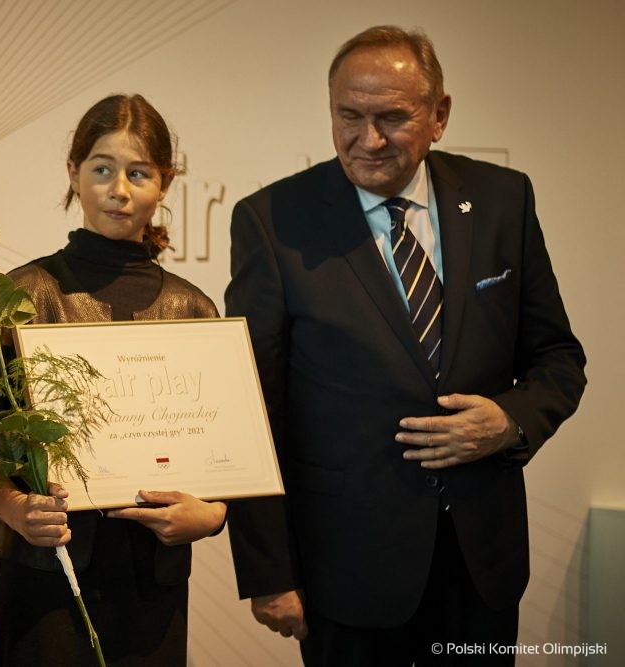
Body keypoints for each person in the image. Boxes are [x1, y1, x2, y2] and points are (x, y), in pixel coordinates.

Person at [226, 25, 586, 665]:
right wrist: (267, 570)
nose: (369, 140)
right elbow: (251, 406)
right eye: (349, 117)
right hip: (346, 570)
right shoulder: (272, 220)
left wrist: (509, 422)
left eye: (393, 117)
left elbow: (558, 360)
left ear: (439, 115)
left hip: (481, 565)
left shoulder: (504, 200)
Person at [0, 94, 225, 666]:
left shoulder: (194, 310)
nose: (119, 189)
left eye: (138, 172)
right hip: (46, 581)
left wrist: (214, 514)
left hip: (154, 588)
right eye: (102, 169)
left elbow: (224, 459)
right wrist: (17, 508)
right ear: (74, 173)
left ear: (164, 184)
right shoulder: (20, 297)